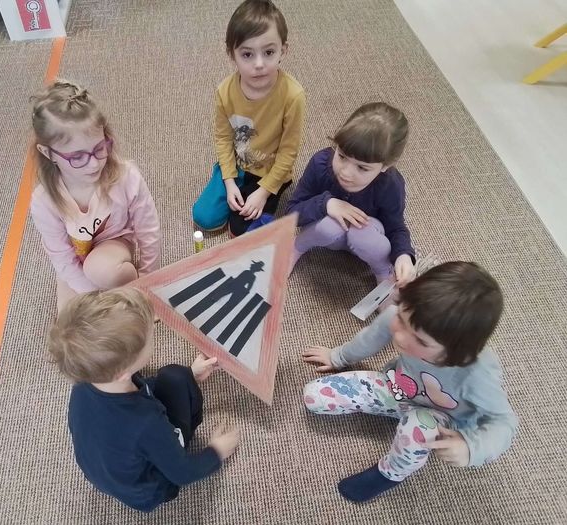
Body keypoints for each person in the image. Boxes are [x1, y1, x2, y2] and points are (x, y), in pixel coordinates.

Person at [301, 262, 517, 502]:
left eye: (421, 342)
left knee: (418, 428)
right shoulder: (408, 315)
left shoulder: (477, 374)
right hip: (397, 388)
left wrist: (471, 447)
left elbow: (504, 422)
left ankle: (390, 474)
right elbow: (371, 338)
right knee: (315, 396)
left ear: (457, 351)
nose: (401, 338)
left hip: (442, 419)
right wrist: (338, 356)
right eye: (402, 320)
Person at [48, 287, 241, 512]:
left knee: (177, 376)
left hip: (109, 471)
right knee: (177, 377)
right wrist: (216, 452)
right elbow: (182, 473)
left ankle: (189, 377)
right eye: (150, 337)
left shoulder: (84, 383)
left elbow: (137, 388)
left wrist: (192, 373)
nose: (154, 332)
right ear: (123, 373)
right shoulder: (146, 422)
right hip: (150, 491)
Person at [30, 80, 160, 312]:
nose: (93, 164)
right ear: (48, 153)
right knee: (71, 320)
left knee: (100, 270)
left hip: (114, 249)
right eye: (77, 157)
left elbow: (148, 229)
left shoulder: (126, 176)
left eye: (100, 148)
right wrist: (93, 297)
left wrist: (147, 280)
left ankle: (125, 287)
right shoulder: (43, 201)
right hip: (76, 261)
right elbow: (62, 257)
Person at [192, 0, 305, 237]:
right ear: (231, 54)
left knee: (241, 231)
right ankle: (234, 184)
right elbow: (223, 138)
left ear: (283, 50)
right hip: (238, 164)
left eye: (269, 52)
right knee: (204, 218)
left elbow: (289, 151)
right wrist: (229, 180)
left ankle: (275, 188)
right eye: (247, 54)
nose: (259, 64)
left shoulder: (293, 95)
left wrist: (265, 191)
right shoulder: (224, 91)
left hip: (270, 170)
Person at [286, 102, 414, 285]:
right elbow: (291, 214)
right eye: (341, 156)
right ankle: (297, 246)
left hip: (366, 238)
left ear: (386, 166)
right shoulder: (320, 164)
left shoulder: (391, 185)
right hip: (324, 232)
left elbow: (396, 226)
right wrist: (326, 204)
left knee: (363, 234)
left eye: (362, 168)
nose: (345, 172)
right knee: (329, 226)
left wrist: (403, 255)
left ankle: (382, 270)